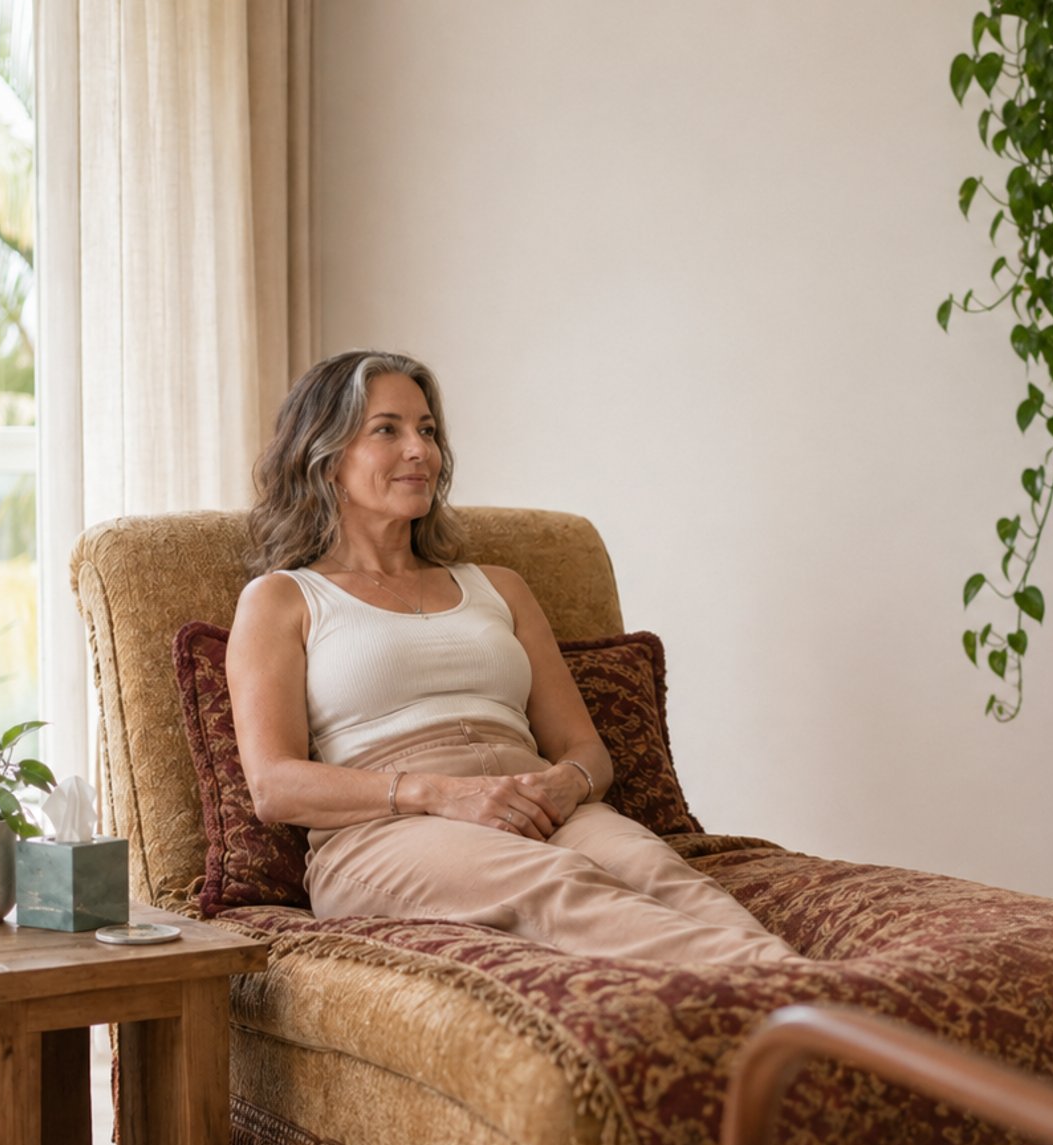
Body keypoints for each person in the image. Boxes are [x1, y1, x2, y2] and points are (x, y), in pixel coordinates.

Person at [228, 349, 797, 965]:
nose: (420, 450)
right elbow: (274, 785)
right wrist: (443, 794)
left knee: (661, 874)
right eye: (387, 430)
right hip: (386, 833)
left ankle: (803, 991)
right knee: (558, 884)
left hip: (535, 804)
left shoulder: (499, 587)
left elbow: (584, 750)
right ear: (326, 455)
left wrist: (565, 783)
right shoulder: (283, 598)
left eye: (427, 430)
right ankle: (790, 992)